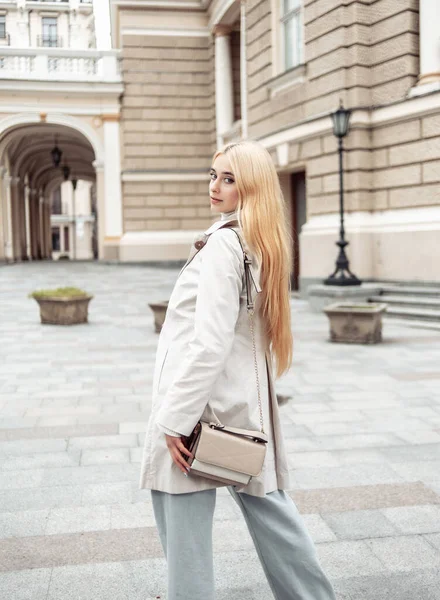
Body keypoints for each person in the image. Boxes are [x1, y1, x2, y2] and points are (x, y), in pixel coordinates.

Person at [139, 140, 336, 600]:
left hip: (194, 411)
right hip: (237, 409)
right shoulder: (254, 242)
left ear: (252, 187)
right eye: (213, 175)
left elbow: (208, 343)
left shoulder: (225, 246)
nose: (215, 186)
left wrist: (173, 419)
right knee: (273, 514)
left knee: (182, 528)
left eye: (229, 179)